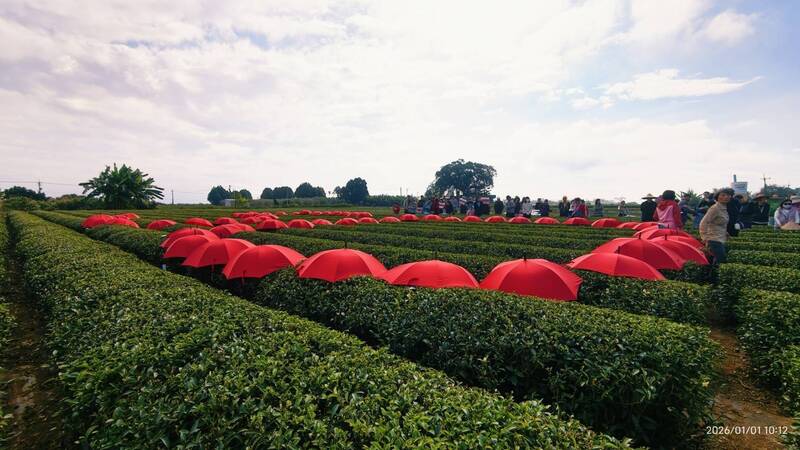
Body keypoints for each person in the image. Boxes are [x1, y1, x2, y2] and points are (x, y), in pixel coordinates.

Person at [699, 188, 732, 264]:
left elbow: (718, 223)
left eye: (728, 195)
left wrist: (726, 232)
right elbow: (703, 223)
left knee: (716, 261)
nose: (726, 197)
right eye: (723, 195)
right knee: (721, 261)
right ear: (717, 197)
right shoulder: (715, 208)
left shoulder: (723, 208)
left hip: (720, 238)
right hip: (713, 239)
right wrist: (704, 238)